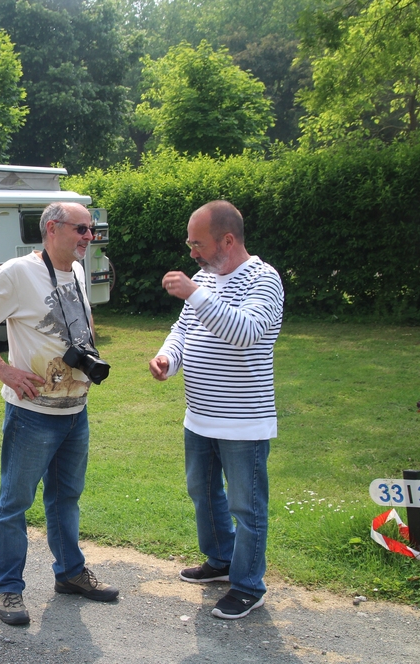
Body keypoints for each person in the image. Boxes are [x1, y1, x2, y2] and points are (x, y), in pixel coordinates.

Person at [0, 202, 118, 627]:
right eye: (81, 229)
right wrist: (4, 370)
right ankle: (8, 590)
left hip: (75, 411)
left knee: (66, 498)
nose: (88, 236)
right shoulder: (18, 272)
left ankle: (70, 573)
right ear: (52, 229)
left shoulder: (77, 271)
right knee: (15, 503)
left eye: (91, 229)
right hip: (32, 414)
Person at [148, 200, 284, 620]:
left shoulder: (264, 279)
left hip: (244, 421)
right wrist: (169, 358)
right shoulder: (205, 278)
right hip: (200, 416)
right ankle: (221, 560)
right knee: (203, 492)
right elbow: (184, 329)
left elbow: (244, 333)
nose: (192, 253)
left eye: (198, 244)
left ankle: (248, 585)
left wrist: (195, 293)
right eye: (190, 244)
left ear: (228, 239)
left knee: (247, 506)